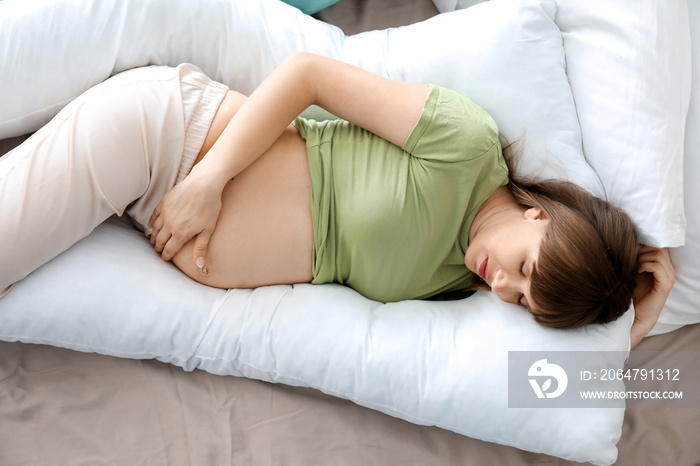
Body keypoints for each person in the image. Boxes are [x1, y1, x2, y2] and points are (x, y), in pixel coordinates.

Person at [0, 52, 675, 348]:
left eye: (524, 303)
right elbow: (309, 75)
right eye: (525, 270)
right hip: (167, 143)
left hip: (149, 223)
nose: (503, 288)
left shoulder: (458, 284)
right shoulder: (467, 148)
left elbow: (558, 392)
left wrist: (642, 315)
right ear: (541, 215)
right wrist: (205, 185)